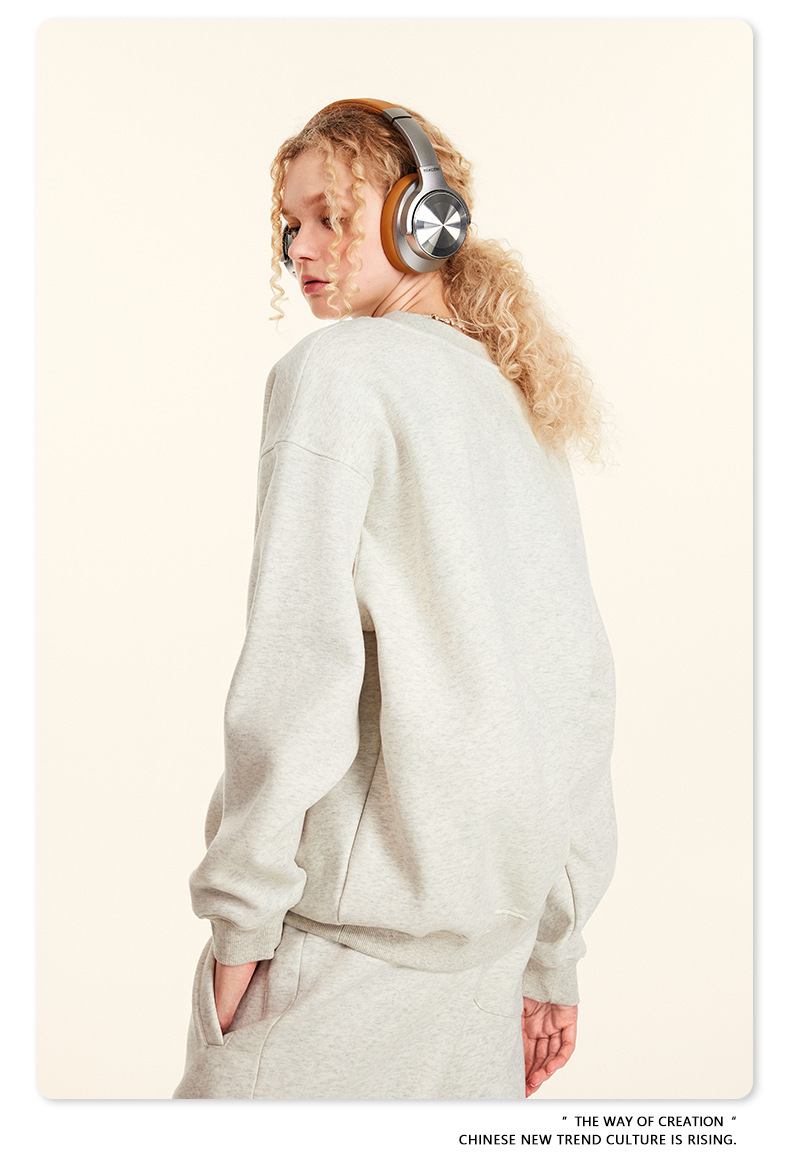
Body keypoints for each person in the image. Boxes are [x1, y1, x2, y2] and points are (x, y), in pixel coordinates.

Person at [173, 98, 616, 1101]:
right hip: (487, 984)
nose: (300, 248)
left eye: (330, 216)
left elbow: (296, 666)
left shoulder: (338, 373)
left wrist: (241, 920)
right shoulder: (513, 400)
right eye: (290, 225)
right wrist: (552, 951)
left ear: (425, 219)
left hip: (340, 966)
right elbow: (576, 689)